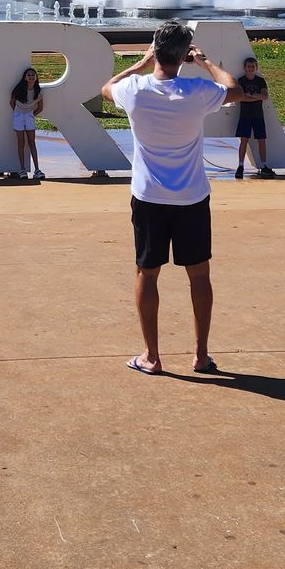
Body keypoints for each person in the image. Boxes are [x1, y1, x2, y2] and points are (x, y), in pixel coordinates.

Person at [103, 21, 244, 376]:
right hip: (192, 197)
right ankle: (200, 354)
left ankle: (152, 356)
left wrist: (139, 64)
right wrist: (206, 62)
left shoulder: (134, 90)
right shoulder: (197, 90)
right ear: (184, 54)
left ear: (154, 50)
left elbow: (107, 88)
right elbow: (235, 89)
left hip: (149, 196)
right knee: (199, 275)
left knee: (146, 274)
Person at [232, 56, 276, 180]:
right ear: (245, 68)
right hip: (245, 116)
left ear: (256, 68)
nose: (251, 69)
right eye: (248, 67)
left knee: (261, 140)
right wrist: (256, 96)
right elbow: (240, 96)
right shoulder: (241, 81)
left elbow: (265, 96)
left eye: (253, 67)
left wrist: (250, 95)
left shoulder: (260, 81)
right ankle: (240, 166)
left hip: (258, 115)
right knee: (244, 141)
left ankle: (263, 165)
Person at [9, 67, 45, 180]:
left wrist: (30, 115)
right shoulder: (19, 89)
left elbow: (40, 107)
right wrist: (18, 113)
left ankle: (37, 170)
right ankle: (22, 169)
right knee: (21, 143)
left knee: (32, 142)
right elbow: (12, 103)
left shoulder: (38, 91)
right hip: (18, 115)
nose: (31, 77)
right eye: (29, 75)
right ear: (25, 77)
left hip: (29, 116)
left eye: (33, 75)